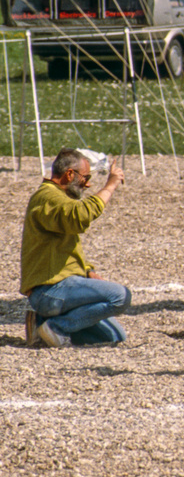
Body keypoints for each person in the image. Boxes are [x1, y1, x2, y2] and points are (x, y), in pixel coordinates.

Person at [21, 148, 130, 348]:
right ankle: (57, 327)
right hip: (49, 290)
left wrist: (88, 270)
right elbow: (80, 216)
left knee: (114, 337)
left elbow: (66, 247)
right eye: (85, 177)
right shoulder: (47, 198)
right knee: (120, 296)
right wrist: (110, 185)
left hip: (63, 288)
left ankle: (40, 324)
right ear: (70, 174)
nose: (87, 184)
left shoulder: (60, 200)